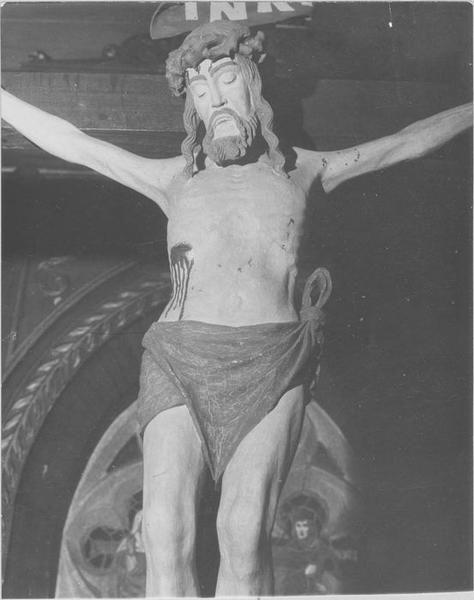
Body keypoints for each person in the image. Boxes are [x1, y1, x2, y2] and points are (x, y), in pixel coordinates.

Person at [2, 20, 471, 597]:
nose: (216, 101)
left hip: (271, 359)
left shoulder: (304, 169)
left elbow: (405, 141)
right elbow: (74, 142)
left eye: (227, 81)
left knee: (244, 533)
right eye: (201, 93)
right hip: (178, 357)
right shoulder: (174, 179)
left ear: (255, 85)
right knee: (164, 531)